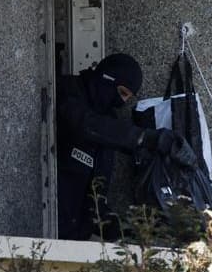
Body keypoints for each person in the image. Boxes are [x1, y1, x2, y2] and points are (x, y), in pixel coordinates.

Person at [56, 53, 192, 241]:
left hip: (71, 240)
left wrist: (140, 229)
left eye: (127, 97)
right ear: (107, 78)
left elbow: (96, 207)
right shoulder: (66, 91)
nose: (122, 103)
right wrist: (146, 138)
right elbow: (86, 124)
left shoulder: (108, 122)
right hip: (41, 229)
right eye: (122, 93)